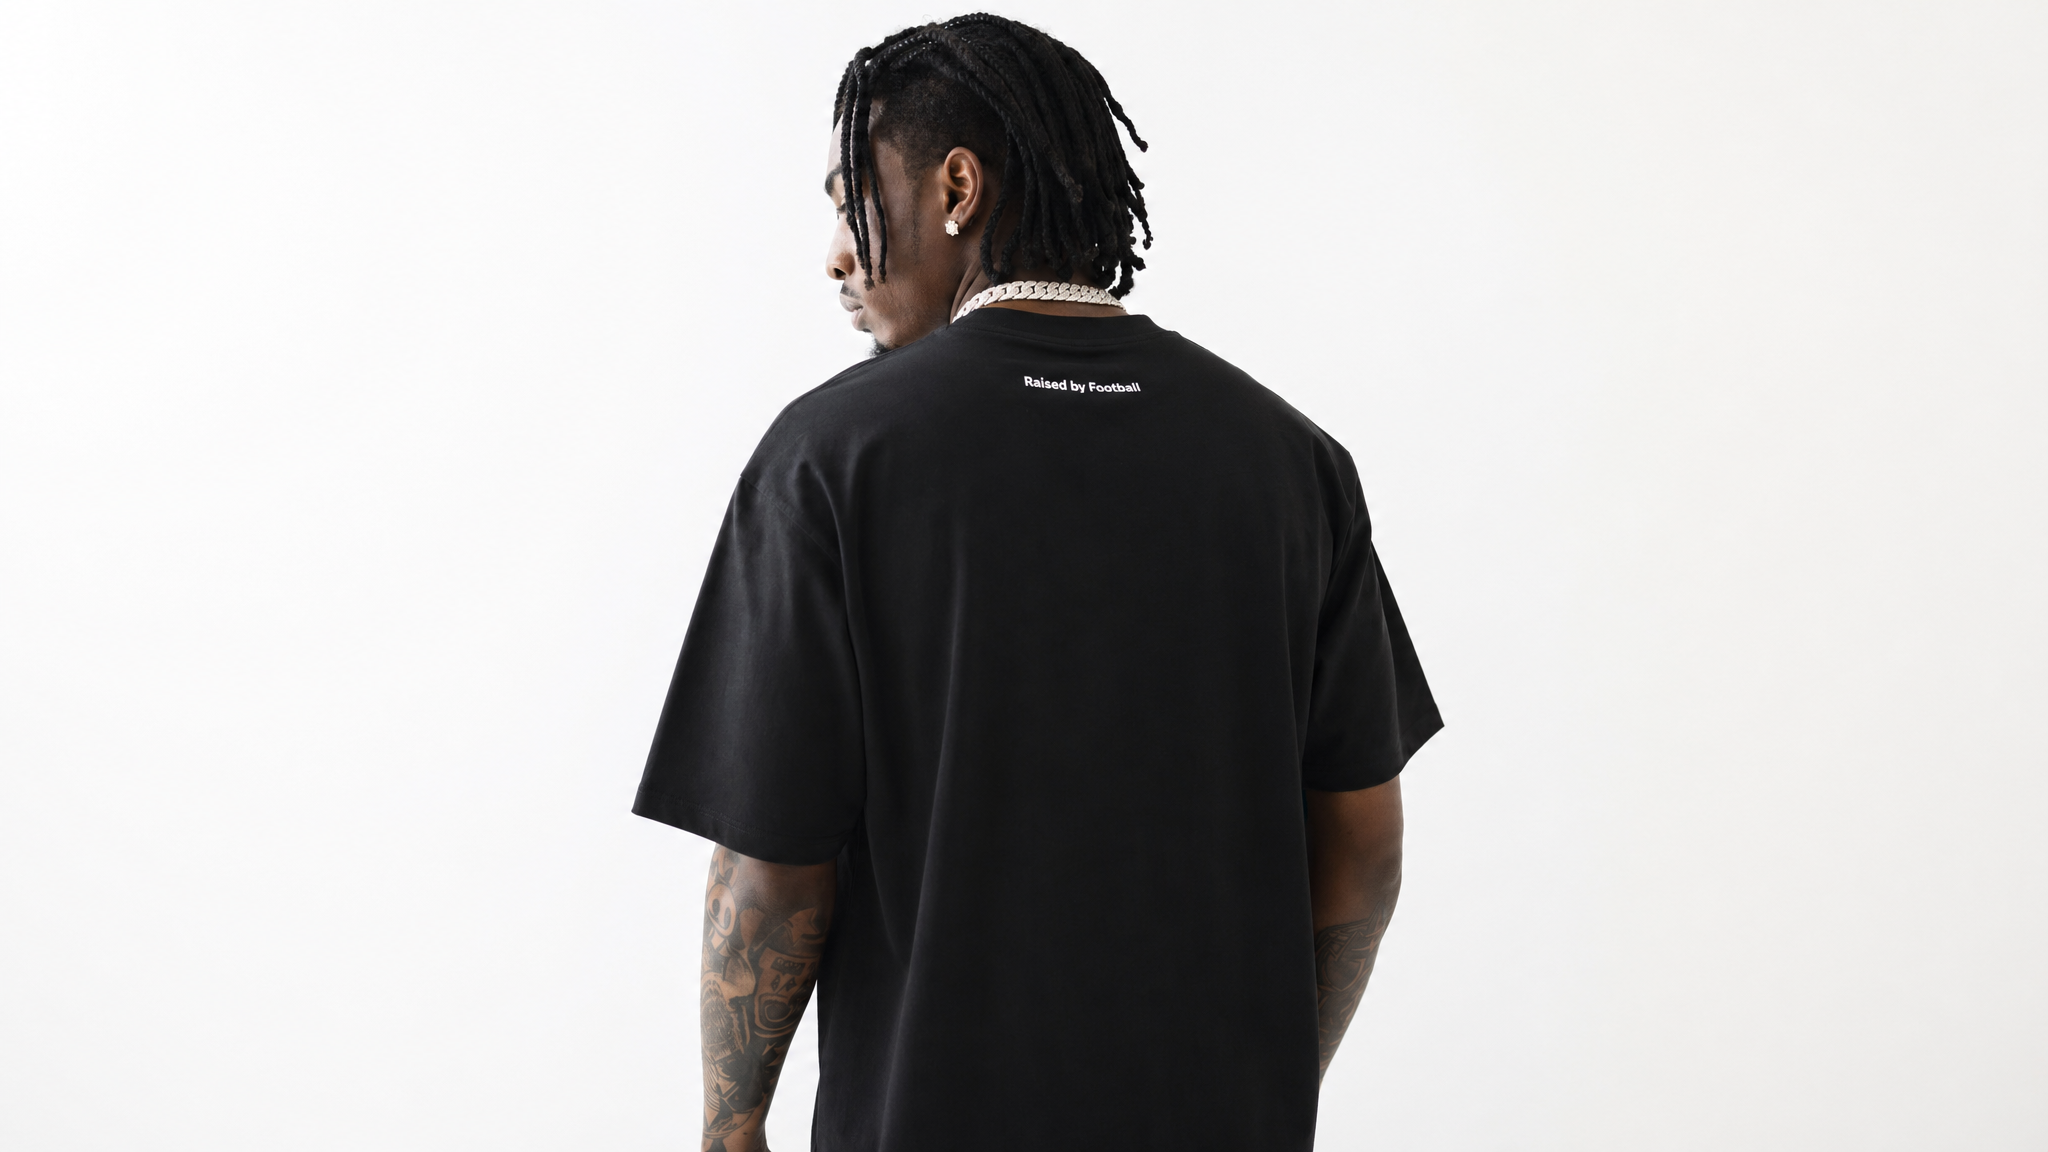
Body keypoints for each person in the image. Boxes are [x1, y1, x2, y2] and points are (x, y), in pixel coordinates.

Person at [634, 14, 1440, 1151]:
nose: (835, 255)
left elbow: (770, 877)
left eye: (849, 200)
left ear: (956, 188)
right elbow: (1363, 849)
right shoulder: (1288, 462)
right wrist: (1263, 1081)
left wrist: (731, 1131)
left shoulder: (830, 458)